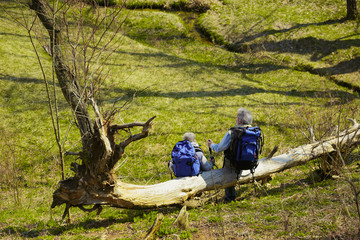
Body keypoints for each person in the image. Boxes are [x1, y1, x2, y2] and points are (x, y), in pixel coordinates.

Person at [207, 107, 254, 202]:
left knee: (227, 176)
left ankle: (229, 198)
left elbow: (219, 148)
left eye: (236, 118)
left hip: (234, 163)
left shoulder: (232, 132)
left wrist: (211, 145)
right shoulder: (253, 131)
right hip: (250, 162)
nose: (236, 119)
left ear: (240, 121)